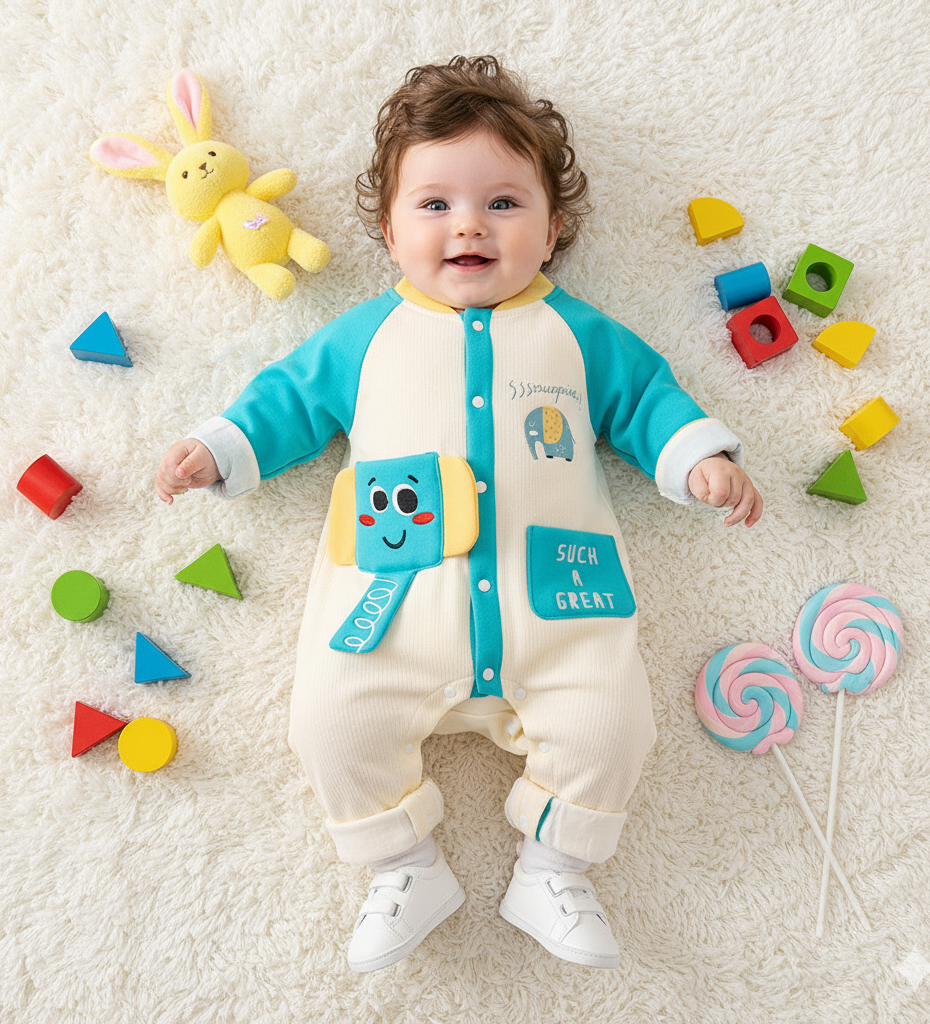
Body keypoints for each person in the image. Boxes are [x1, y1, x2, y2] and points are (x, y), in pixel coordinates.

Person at [155, 55, 762, 973]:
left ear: (553, 229)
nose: (469, 224)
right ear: (390, 232)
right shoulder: (367, 336)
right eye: (434, 204)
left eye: (503, 203)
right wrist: (223, 445)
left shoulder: (577, 333)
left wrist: (696, 458)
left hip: (559, 611)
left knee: (613, 723)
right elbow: (290, 398)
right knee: (328, 723)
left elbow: (647, 399)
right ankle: (404, 868)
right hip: (388, 614)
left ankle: (554, 869)